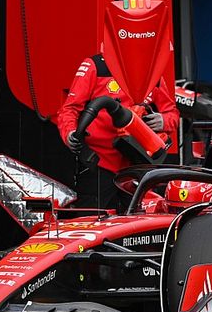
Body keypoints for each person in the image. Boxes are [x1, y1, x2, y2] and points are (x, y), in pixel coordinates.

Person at [57, 52, 178, 210]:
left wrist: (164, 121)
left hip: (137, 164)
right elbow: (69, 109)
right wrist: (70, 133)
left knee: (138, 223)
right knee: (92, 221)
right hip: (99, 163)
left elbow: (172, 114)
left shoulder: (150, 71)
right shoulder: (97, 66)